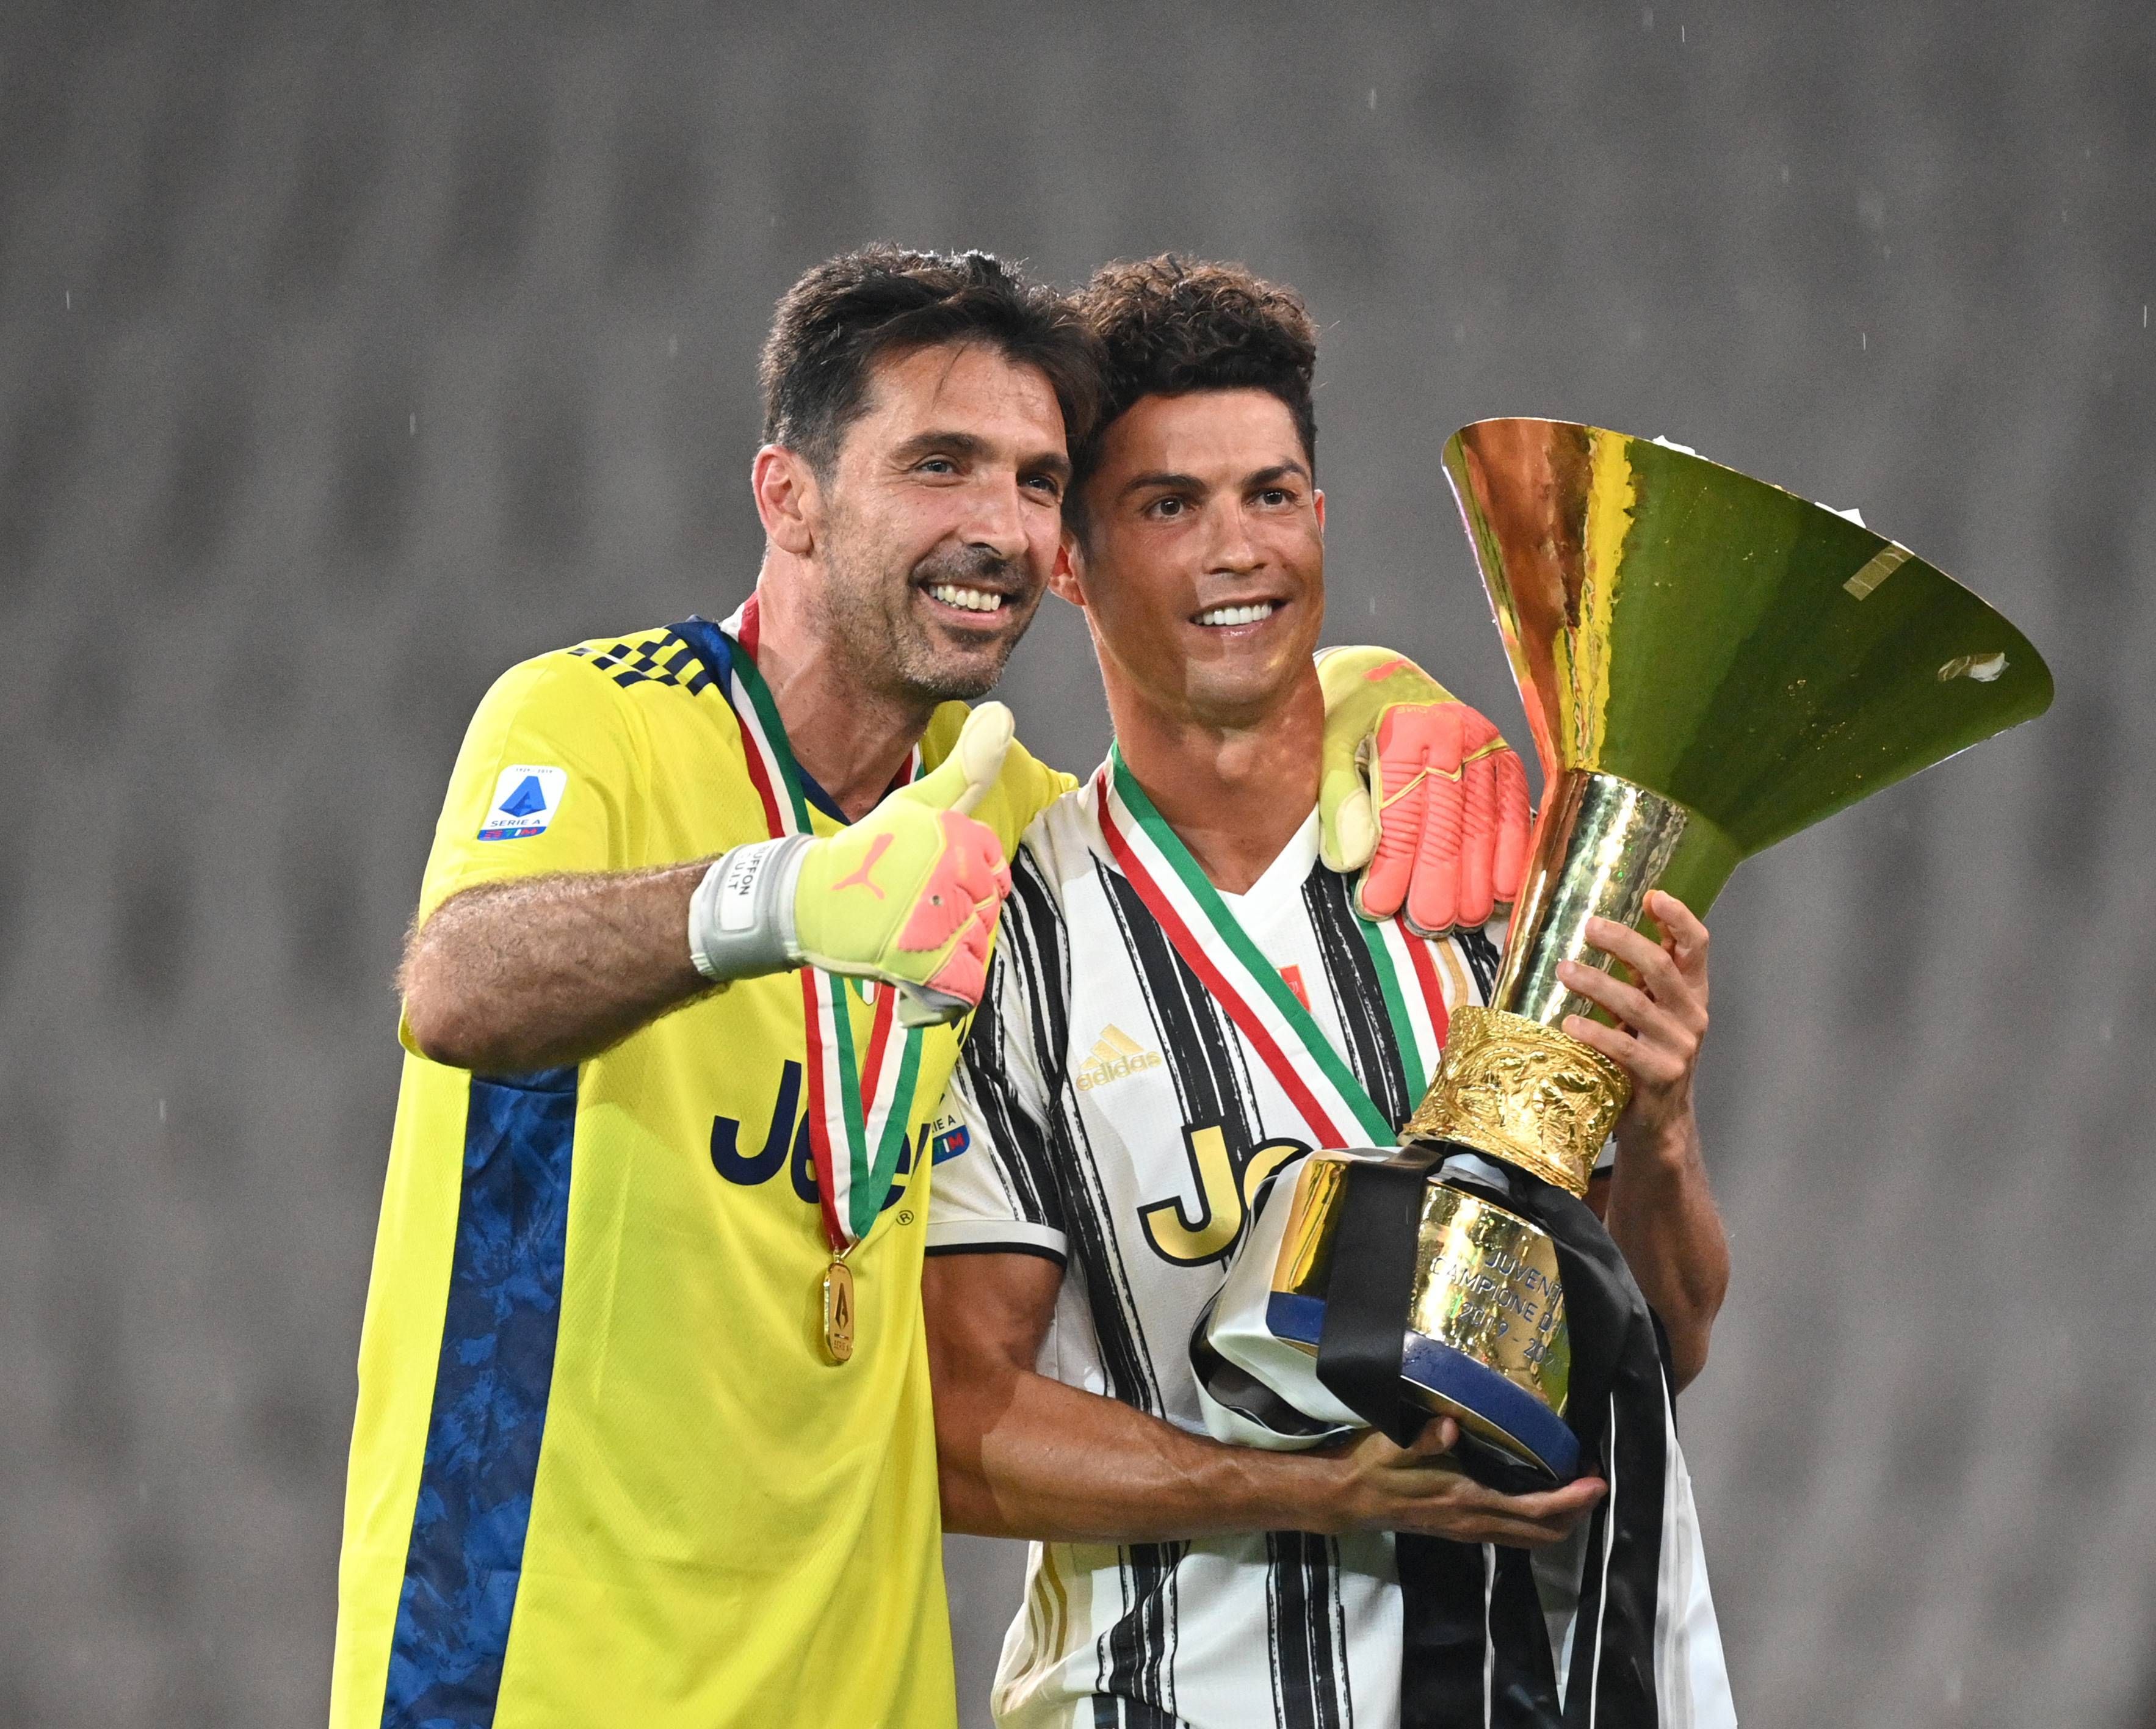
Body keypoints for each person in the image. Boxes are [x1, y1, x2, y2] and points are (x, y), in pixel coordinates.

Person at [329, 245, 1532, 1729]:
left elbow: (1205, 745)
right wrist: (769, 900)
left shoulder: (1008, 815)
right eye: (940, 466)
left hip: (865, 1683)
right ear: (789, 495)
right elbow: (457, 982)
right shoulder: (594, 718)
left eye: (1035, 481)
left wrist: (1387, 690)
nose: (999, 529)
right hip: (546, 1658)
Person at [923, 256, 1735, 1728]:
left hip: (1550, 1684)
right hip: (1173, 1694)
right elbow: (954, 1423)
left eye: (1271, 494)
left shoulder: (1491, 864)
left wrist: (1663, 1131)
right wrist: (1303, 1491)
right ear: (1069, 560)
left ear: (1321, 516)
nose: (1238, 549)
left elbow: (1660, 1341)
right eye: (1170, 505)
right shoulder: (1014, 931)